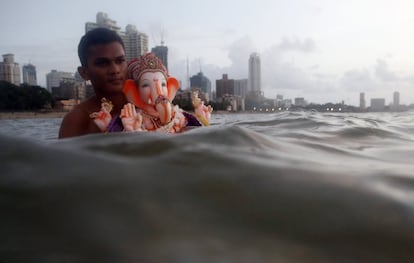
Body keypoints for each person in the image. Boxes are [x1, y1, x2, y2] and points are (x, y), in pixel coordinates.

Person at [58, 28, 128, 138]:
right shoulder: (77, 120)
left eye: (120, 61)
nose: (115, 70)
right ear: (84, 73)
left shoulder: (148, 103)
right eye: (103, 63)